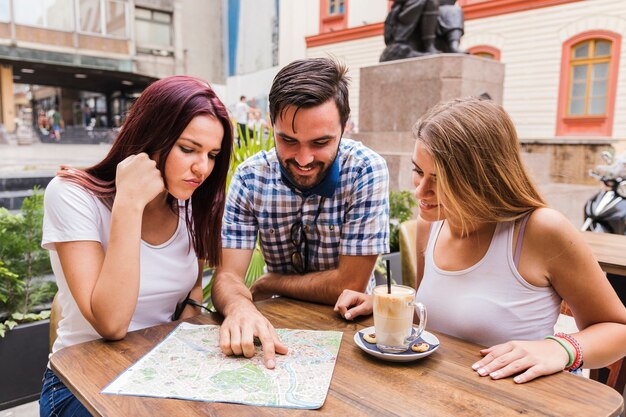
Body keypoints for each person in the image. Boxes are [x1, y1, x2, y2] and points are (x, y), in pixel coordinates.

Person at [334, 97, 626, 384]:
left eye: (441, 180)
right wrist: (388, 306)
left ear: (484, 178)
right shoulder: (431, 224)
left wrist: (559, 348)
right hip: (444, 394)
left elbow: (617, 328)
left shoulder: (540, 229)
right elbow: (436, 319)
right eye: (418, 171)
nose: (420, 193)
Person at [39, 76, 233, 417]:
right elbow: (111, 323)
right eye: (188, 149)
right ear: (150, 136)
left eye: (212, 155)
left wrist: (188, 369)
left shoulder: (188, 203)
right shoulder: (72, 195)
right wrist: (129, 201)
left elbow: (192, 299)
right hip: (82, 384)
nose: (202, 168)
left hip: (163, 372)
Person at [212, 57, 390, 369]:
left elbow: (348, 286)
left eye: (321, 142)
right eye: (288, 140)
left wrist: (271, 282)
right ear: (271, 124)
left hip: (355, 332)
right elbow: (228, 276)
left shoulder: (365, 169)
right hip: (274, 328)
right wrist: (239, 305)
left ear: (344, 127)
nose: (304, 159)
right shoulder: (249, 177)